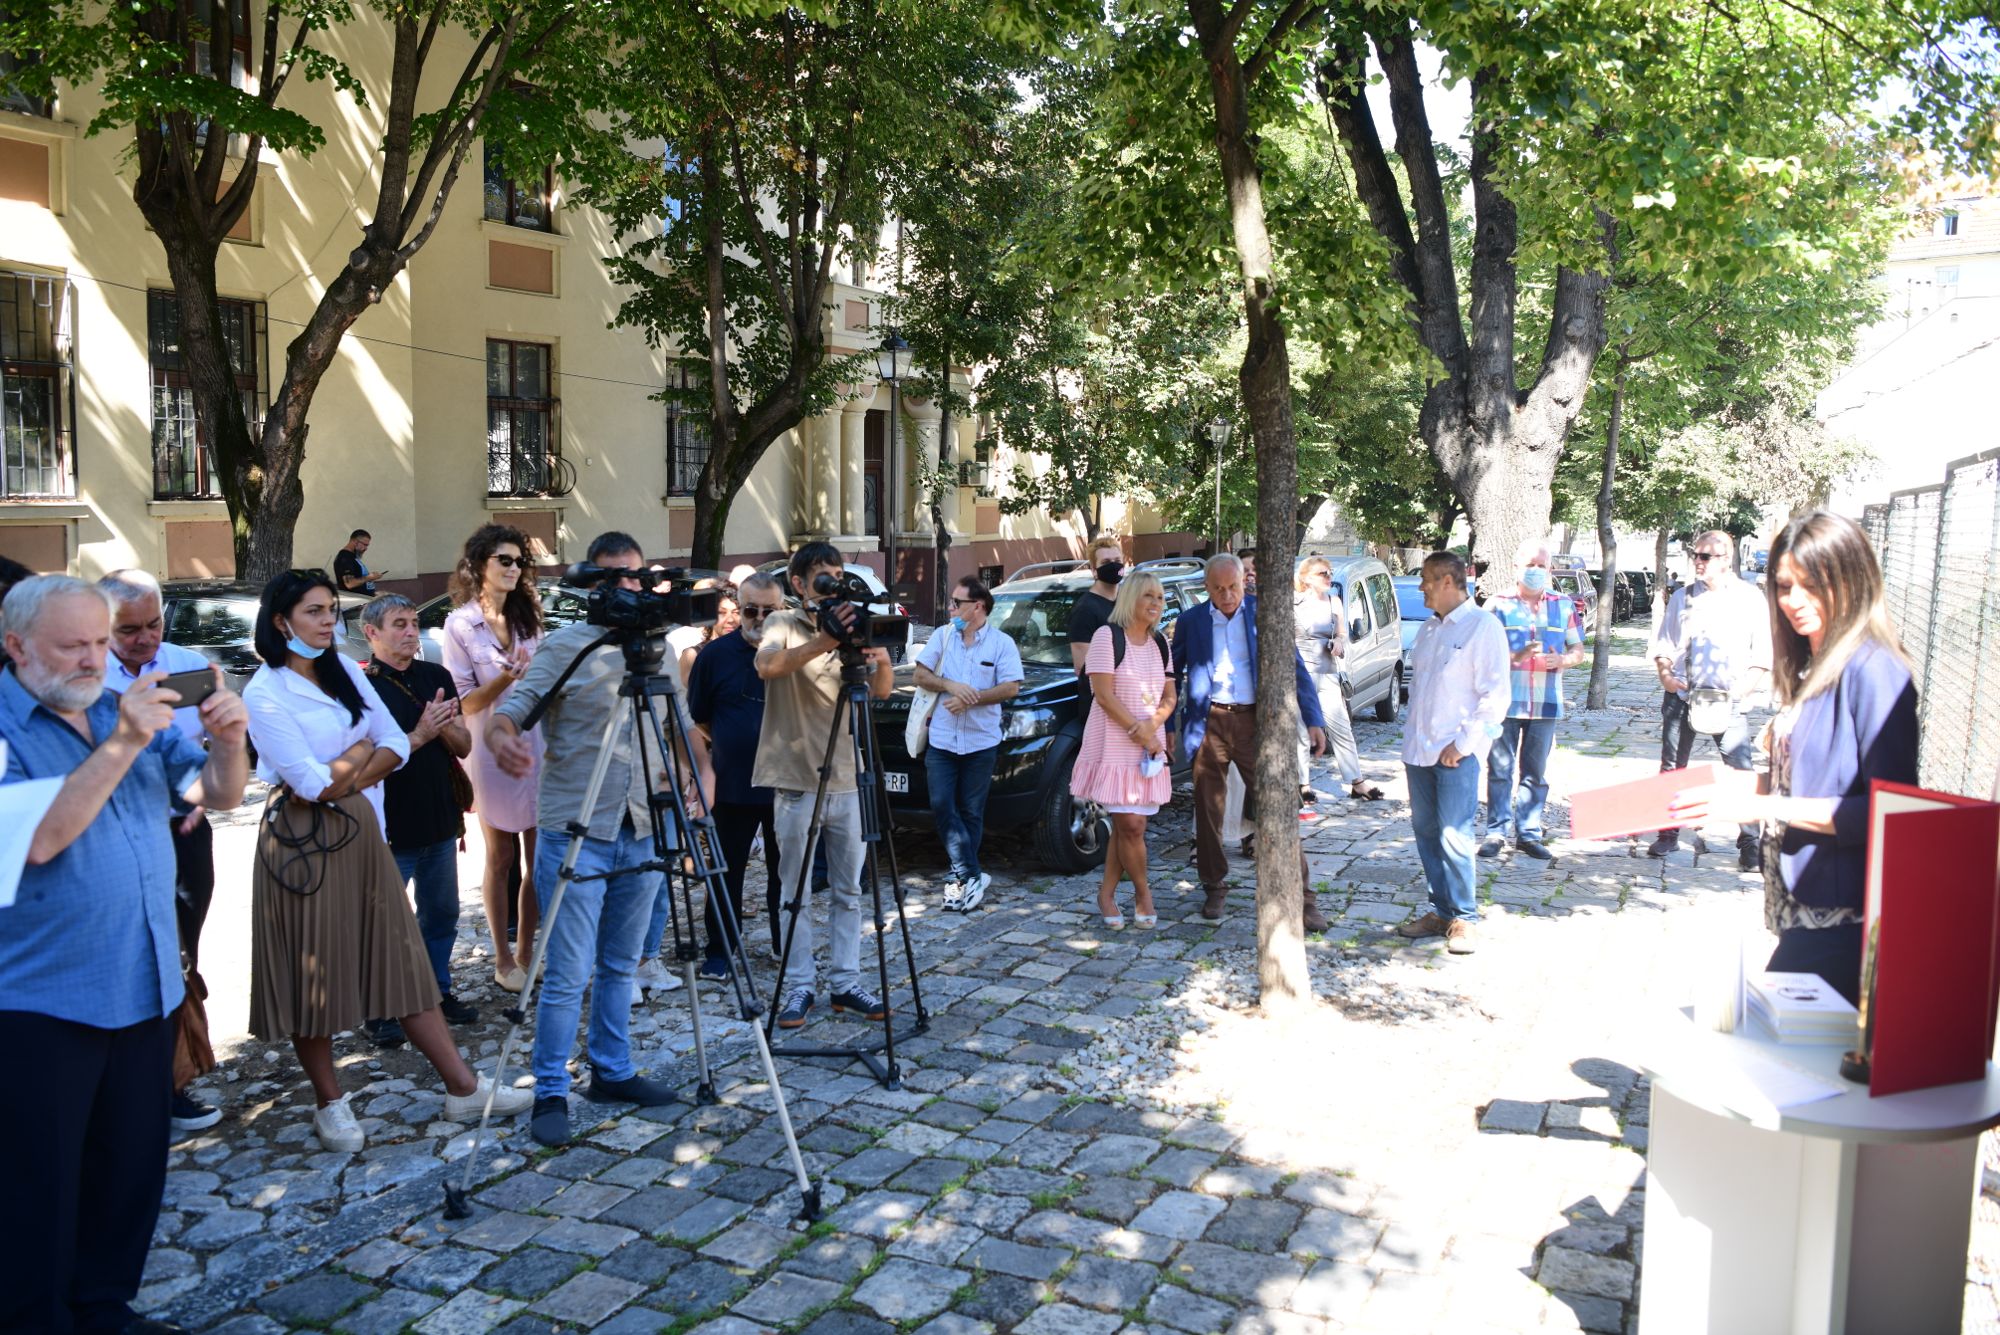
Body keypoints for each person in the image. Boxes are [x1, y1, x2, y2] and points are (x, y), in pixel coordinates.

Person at [0, 575, 248, 1335]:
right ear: (15, 646)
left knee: (128, 1170)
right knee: (39, 1184)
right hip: (43, 1001)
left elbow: (217, 793)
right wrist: (124, 740)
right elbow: (39, 838)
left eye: (102, 643)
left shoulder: (120, 708)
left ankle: (104, 1307)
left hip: (143, 983)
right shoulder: (12, 726)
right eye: (73, 645)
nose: (93, 660)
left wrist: (230, 739)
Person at [241, 570, 530, 1155]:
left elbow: (396, 744)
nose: (328, 622)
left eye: (330, 611)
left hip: (362, 829)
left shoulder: (345, 671)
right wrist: (363, 754)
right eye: (315, 612)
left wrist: (352, 764)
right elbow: (307, 784)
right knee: (313, 976)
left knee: (402, 959)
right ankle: (330, 1102)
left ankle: (463, 1087)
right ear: (281, 622)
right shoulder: (264, 692)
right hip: (302, 844)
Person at [489, 531, 713, 1146]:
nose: (625, 587)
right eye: (611, 576)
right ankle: (551, 1088)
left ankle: (612, 1070)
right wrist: (501, 738)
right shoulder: (567, 646)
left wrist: (704, 773)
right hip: (576, 828)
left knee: (621, 963)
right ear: (592, 583)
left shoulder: (659, 652)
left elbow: (681, 727)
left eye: (634, 576)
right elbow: (514, 709)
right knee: (567, 969)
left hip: (642, 825)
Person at [1668, 512, 1918, 1006]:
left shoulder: (1875, 671)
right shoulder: (1815, 665)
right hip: (1798, 903)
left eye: (1812, 585)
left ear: (1852, 579)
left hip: (1844, 919)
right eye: (1784, 586)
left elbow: (1893, 814)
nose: (1795, 601)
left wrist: (1762, 809)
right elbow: (1813, 782)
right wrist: (1738, 785)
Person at [98, 568, 225, 1135]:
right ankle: (143, 1087)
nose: (146, 638)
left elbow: (202, 744)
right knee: (134, 962)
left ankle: (175, 1075)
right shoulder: (87, 676)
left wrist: (201, 789)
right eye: (130, 631)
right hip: (115, 837)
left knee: (182, 957)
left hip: (183, 829)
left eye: (153, 624)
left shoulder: (183, 664)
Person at [754, 541, 895, 1031]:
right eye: (822, 576)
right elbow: (768, 667)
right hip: (795, 777)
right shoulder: (782, 624)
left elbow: (879, 691)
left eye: (837, 573)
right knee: (794, 891)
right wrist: (824, 641)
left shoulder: (850, 624)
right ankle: (798, 985)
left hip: (846, 777)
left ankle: (844, 981)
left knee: (848, 890)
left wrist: (878, 655)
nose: (832, 581)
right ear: (798, 583)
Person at [1173, 552, 1328, 929]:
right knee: (1207, 811)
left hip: (1255, 723)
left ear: (1245, 582)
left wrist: (1314, 719)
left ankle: (1304, 897)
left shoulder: (1262, 613)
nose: (1227, 596)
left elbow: (1295, 668)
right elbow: (1169, 672)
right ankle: (1213, 884)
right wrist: (1162, 727)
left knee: (1278, 805)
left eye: (1233, 587)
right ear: (1206, 587)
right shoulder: (1191, 621)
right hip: (1210, 722)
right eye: (1218, 588)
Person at [360, 594, 478, 1039]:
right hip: (389, 826)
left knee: (442, 913)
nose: (411, 632)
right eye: (398, 625)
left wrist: (444, 726)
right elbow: (367, 758)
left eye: (413, 623)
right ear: (372, 633)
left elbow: (464, 746)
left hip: (440, 820)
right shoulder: (361, 685)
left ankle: (435, 991)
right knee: (385, 924)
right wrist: (422, 732)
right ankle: (382, 1009)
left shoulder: (436, 676)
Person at [441, 524, 544, 994]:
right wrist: (506, 681)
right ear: (479, 564)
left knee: (539, 858)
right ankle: (503, 959)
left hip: (535, 744)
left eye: (519, 560)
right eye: (504, 559)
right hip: (488, 749)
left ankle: (527, 952)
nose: (513, 567)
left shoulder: (528, 618)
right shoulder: (461, 624)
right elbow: (464, 704)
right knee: (501, 855)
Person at [1395, 552, 1511, 955]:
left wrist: (1463, 745)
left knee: (1454, 834)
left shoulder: (1483, 627)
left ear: (1448, 581)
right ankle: (1440, 910)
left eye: (1426, 579)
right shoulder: (1429, 629)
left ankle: (1465, 917)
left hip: (1455, 752)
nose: (1422, 586)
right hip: (1420, 749)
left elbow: (1495, 697)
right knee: (1426, 832)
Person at [1647, 529, 1771, 868]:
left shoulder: (1749, 598)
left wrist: (1743, 690)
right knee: (1673, 768)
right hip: (1684, 697)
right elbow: (1664, 646)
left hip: (1727, 702)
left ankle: (1750, 844)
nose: (1697, 562)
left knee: (1741, 771)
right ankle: (1668, 834)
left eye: (1705, 556)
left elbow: (1762, 654)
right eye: (1695, 555)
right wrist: (1666, 678)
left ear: (1725, 559)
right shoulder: (1682, 598)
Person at [687, 572, 785, 976]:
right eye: (750, 609)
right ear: (739, 609)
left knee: (787, 871)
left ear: (782, 611)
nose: (758, 617)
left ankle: (787, 944)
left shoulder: (795, 654)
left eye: (769, 610)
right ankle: (720, 949)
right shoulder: (714, 656)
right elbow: (700, 718)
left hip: (786, 782)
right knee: (727, 870)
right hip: (734, 781)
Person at [1070, 571, 1176, 928]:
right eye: (1149, 596)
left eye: (1160, 598)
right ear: (1131, 598)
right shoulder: (1106, 637)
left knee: (1130, 826)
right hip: (1115, 744)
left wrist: (1153, 726)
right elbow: (1103, 694)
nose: (1156, 604)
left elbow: (1170, 695)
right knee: (1130, 824)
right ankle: (1144, 893)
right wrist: (1141, 732)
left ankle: (1106, 894)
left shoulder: (1161, 642)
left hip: (1145, 746)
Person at [914, 577, 1023, 912]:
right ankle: (971, 874)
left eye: (957, 603)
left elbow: (1010, 688)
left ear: (978, 606)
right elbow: (920, 675)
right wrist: (950, 684)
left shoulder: (1001, 644)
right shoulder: (942, 636)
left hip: (980, 742)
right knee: (942, 805)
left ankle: (959, 881)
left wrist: (971, 699)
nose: (951, 608)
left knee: (971, 812)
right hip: (943, 739)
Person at [1478, 538, 1584, 861]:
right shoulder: (1496, 606)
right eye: (1530, 565)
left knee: (1534, 772)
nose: (1536, 571)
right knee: (1499, 768)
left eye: (1541, 565)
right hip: (1504, 704)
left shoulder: (1564, 606)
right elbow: (1481, 654)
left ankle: (1528, 832)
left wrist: (1562, 661)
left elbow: (1578, 651)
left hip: (1545, 703)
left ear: (1550, 569)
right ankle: (1496, 831)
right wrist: (1514, 656)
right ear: (1515, 568)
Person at [1293, 556, 1381, 806]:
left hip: (1328, 669)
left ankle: (1356, 781)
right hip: (1302, 672)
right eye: (1323, 573)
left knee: (1341, 726)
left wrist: (1339, 644)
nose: (1329, 577)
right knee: (1301, 730)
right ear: (1306, 577)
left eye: (1330, 573)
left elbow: (1342, 634)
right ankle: (1303, 784)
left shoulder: (1334, 601)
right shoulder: (1293, 603)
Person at [1068, 537, 1127, 675]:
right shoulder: (1085, 611)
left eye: (1117, 561)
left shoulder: (1127, 602)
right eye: (1106, 562)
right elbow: (1082, 668)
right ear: (1094, 570)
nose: (1113, 566)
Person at [332, 528, 382, 598]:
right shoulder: (345, 557)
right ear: (355, 542)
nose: (366, 548)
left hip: (364, 600)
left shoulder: (352, 556)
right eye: (365, 545)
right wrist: (370, 577)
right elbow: (349, 583)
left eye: (367, 545)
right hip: (355, 603)